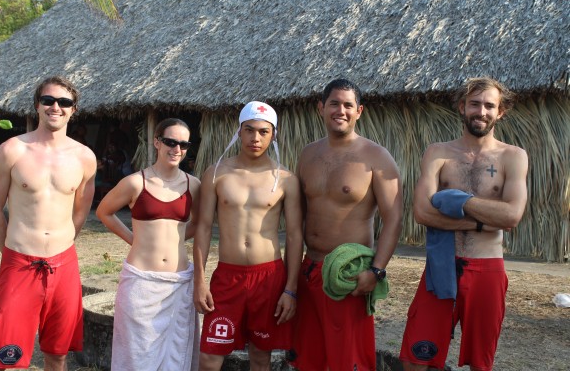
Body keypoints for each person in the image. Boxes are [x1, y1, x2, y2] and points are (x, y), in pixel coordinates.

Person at [399, 77, 528, 371]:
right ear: (462, 107)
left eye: (489, 106)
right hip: (441, 265)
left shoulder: (513, 157)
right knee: (415, 359)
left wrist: (460, 201)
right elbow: (422, 213)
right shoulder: (438, 153)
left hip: (487, 269)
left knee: (481, 363)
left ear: (500, 112)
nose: (481, 111)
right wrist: (482, 224)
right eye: (474, 104)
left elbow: (511, 216)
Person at [0, 76, 97, 370]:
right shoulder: (12, 150)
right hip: (19, 262)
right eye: (48, 100)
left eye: (64, 102)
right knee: (2, 358)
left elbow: (80, 213)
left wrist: (59, 244)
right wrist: (10, 253)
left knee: (58, 353)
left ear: (74, 109)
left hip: (63, 265)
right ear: (37, 105)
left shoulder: (84, 157)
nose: (55, 107)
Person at [291, 78, 403, 371]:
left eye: (348, 105)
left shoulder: (376, 157)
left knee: (349, 362)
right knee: (308, 360)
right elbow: (296, 219)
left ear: (359, 111)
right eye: (334, 103)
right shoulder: (307, 154)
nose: (340, 110)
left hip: (349, 276)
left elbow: (393, 219)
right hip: (309, 270)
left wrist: (376, 271)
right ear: (321, 108)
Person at [193, 101, 303, 371]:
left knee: (261, 357)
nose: (256, 138)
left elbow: (294, 235)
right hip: (227, 277)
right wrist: (200, 280)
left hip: (268, 277)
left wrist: (290, 289)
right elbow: (203, 228)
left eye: (264, 132)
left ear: (273, 134)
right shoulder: (217, 173)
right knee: (209, 357)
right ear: (239, 131)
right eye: (249, 130)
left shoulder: (285, 179)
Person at [96, 118, 201, 370]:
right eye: (170, 142)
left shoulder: (193, 185)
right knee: (138, 354)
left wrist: (176, 239)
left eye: (183, 144)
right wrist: (134, 239)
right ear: (157, 142)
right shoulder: (135, 182)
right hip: (141, 282)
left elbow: (200, 223)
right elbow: (104, 212)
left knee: (176, 355)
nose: (176, 149)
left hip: (179, 281)